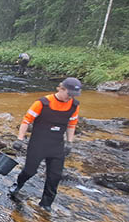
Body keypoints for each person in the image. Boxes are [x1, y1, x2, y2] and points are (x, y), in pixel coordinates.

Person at [9, 77, 81, 211]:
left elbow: (72, 124)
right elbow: (26, 121)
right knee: (30, 171)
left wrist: (70, 142)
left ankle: (46, 204)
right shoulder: (42, 103)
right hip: (38, 144)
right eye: (68, 94)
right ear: (61, 89)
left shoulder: (74, 105)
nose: (70, 98)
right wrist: (20, 139)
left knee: (55, 176)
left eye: (73, 95)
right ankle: (18, 184)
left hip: (57, 145)